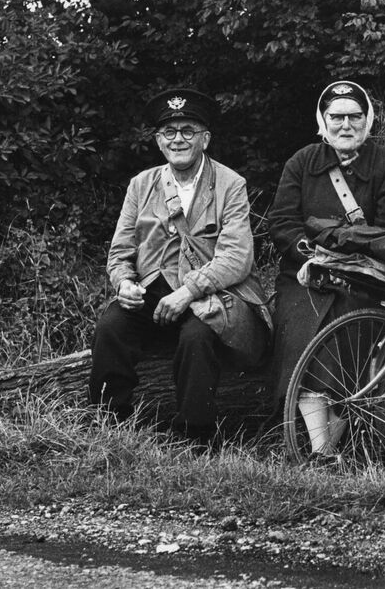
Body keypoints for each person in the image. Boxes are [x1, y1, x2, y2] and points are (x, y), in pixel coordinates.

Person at [88, 87, 269, 445]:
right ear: (158, 140)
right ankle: (110, 429)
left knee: (197, 337)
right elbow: (120, 250)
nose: (178, 140)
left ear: (205, 139)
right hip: (153, 289)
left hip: (211, 293)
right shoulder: (142, 184)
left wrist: (189, 291)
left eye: (188, 131)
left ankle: (194, 437)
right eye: (169, 132)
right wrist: (123, 281)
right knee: (111, 326)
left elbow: (237, 258)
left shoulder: (231, 184)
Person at [268, 80, 385, 458]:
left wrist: (345, 259)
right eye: (337, 117)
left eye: (355, 116)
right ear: (323, 121)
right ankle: (323, 447)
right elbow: (282, 223)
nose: (345, 125)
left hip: (367, 278)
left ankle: (327, 444)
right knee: (300, 321)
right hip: (306, 275)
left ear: (367, 121)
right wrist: (310, 258)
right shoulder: (301, 163)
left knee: (350, 320)